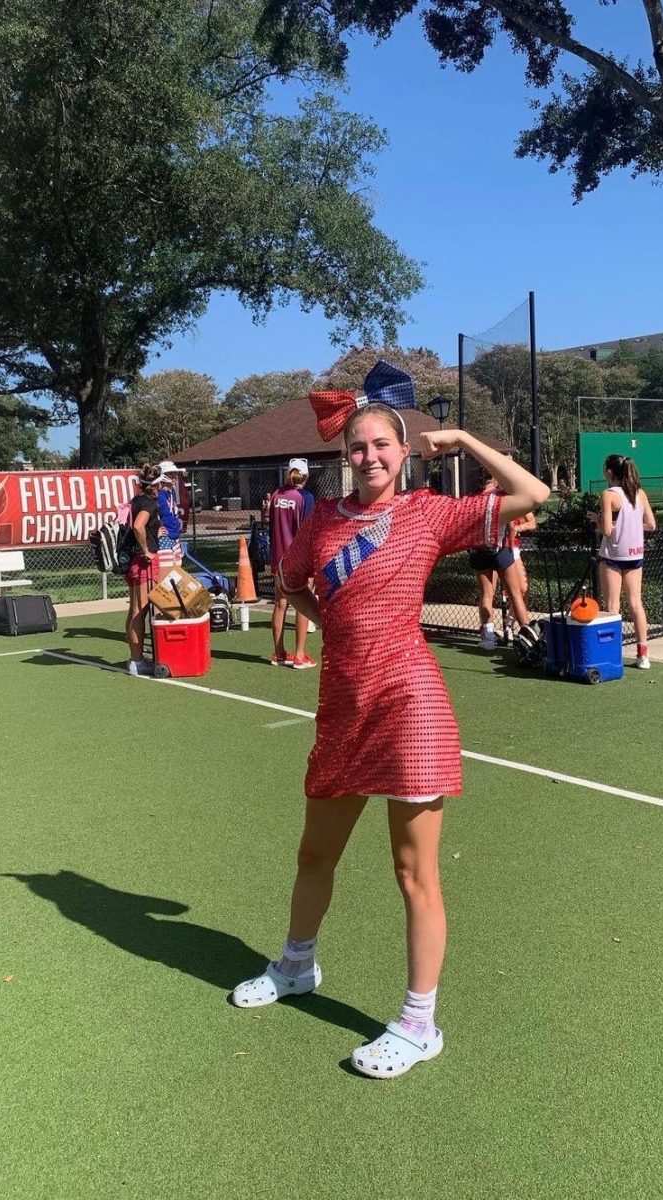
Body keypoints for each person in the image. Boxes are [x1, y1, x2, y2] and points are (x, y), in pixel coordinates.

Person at [231, 360, 550, 1079]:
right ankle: (295, 967)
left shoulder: (429, 514)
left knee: (413, 873)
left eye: (381, 445)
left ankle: (418, 1021)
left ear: (403, 453)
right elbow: (292, 587)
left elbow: (533, 493)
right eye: (356, 448)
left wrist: (464, 439)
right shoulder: (318, 522)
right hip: (342, 704)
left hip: (411, 703)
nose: (368, 456)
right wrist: (335, 632)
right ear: (343, 458)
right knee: (315, 856)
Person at [589, 454, 657, 669]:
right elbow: (651, 525)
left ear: (609, 473)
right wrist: (632, 528)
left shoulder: (608, 495)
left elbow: (607, 530)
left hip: (613, 556)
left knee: (612, 606)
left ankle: (612, 653)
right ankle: (643, 655)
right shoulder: (640, 493)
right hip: (635, 555)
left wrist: (597, 520)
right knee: (636, 603)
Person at [468, 475, 534, 649]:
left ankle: (488, 638)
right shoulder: (501, 498)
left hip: (479, 550)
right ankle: (529, 636)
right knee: (516, 594)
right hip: (500, 549)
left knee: (486, 594)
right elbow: (512, 527)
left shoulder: (474, 501)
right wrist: (511, 547)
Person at [268, 458, 316, 669]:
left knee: (280, 604)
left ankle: (278, 653)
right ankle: (300, 655)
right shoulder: (305, 497)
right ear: (306, 476)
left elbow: (271, 527)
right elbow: (309, 532)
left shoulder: (277, 495)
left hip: (278, 557)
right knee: (302, 606)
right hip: (298, 560)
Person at [125, 463, 167, 676]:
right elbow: (138, 526)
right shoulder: (149, 503)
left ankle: (136, 659)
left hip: (134, 558)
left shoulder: (137, 501)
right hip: (143, 560)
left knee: (135, 608)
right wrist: (146, 550)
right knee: (140, 609)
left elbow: (141, 526)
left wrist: (154, 535)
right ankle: (137, 661)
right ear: (157, 485)